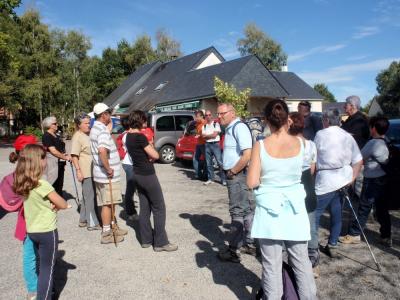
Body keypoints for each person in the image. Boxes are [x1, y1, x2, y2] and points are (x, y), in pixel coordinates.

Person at [248, 99, 317, 299]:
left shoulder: (261, 145)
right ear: (288, 118)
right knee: (302, 263)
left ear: (266, 120)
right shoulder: (302, 143)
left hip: (270, 209)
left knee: (271, 266)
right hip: (295, 208)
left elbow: (251, 181)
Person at [13, 144, 71, 300]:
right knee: (47, 269)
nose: (46, 161)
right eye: (44, 157)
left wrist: (52, 205)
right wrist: (61, 205)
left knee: (36, 262)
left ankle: (36, 292)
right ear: (39, 161)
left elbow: (39, 203)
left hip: (32, 230)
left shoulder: (23, 183)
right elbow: (63, 203)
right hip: (47, 231)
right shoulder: (42, 184)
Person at [125, 110, 178, 252]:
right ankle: (161, 242)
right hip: (147, 174)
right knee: (159, 207)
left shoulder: (128, 137)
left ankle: (146, 240)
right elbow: (155, 155)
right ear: (139, 120)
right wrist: (150, 143)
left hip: (137, 173)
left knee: (145, 207)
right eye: (144, 120)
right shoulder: (140, 137)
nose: (146, 122)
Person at [314, 109, 363, 257]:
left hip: (326, 179)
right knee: (337, 213)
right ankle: (333, 244)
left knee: (315, 214)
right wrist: (352, 179)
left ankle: (313, 247)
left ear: (327, 120)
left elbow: (313, 156)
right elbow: (358, 160)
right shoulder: (347, 136)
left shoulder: (320, 134)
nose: (323, 122)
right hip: (343, 179)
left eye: (323, 120)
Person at [340, 116, 392, 247]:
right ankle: (386, 236)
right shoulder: (387, 141)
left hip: (373, 180)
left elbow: (358, 157)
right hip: (384, 178)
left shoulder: (373, 143)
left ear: (373, 128)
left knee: (364, 207)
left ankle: (354, 234)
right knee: (382, 209)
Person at [217, 103, 255, 263]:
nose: (219, 117)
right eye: (218, 114)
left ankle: (234, 250)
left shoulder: (239, 127)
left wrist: (232, 171)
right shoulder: (232, 128)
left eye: (222, 113)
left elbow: (247, 154)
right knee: (246, 211)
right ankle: (249, 244)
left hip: (237, 175)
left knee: (237, 212)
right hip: (237, 175)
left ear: (232, 113)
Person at [0, 140, 38, 300]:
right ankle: (37, 288)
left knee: (30, 256)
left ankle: (33, 290)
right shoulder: (33, 179)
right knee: (35, 256)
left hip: (26, 224)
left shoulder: (12, 177)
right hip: (37, 224)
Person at [90, 103, 127, 244]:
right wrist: (108, 168)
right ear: (103, 115)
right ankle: (106, 233)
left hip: (100, 174)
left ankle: (114, 227)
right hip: (107, 175)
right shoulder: (102, 131)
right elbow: (102, 150)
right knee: (107, 203)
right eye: (108, 113)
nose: (110, 116)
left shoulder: (96, 128)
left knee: (109, 202)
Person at [288, 112, 320, 277]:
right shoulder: (311, 145)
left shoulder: (286, 145)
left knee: (292, 224)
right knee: (310, 225)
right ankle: (312, 260)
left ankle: (295, 261)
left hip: (292, 185)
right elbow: (313, 169)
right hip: (307, 184)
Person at [71, 113, 101, 230]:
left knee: (86, 196)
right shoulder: (77, 137)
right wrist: (78, 171)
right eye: (86, 123)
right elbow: (74, 155)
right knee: (90, 197)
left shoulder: (88, 134)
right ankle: (92, 223)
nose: (89, 125)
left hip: (93, 170)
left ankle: (83, 220)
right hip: (85, 171)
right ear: (79, 125)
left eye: (89, 122)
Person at [42, 117, 71, 195]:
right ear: (49, 125)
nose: (57, 125)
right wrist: (65, 157)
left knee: (60, 182)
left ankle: (59, 200)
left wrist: (64, 156)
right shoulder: (46, 136)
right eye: (54, 123)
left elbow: (60, 148)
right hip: (52, 162)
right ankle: (52, 201)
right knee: (53, 181)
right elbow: (53, 151)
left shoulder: (56, 135)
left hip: (60, 162)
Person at [120, 117, 139, 221]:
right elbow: (132, 153)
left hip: (129, 163)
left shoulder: (126, 135)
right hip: (130, 164)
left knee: (133, 187)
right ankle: (131, 212)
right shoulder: (128, 136)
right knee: (130, 189)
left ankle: (131, 210)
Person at [202, 110, 226, 186]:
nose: (208, 116)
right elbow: (203, 137)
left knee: (220, 162)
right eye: (206, 115)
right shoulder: (204, 126)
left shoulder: (216, 124)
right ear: (205, 117)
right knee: (208, 163)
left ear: (211, 116)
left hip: (215, 144)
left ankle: (223, 179)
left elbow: (214, 135)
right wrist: (210, 135)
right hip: (207, 145)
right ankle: (210, 179)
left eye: (209, 115)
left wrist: (207, 136)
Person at [192, 110, 207, 180]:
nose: (196, 118)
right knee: (195, 159)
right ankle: (198, 174)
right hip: (199, 144)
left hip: (204, 144)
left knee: (207, 160)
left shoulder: (205, 123)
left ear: (201, 116)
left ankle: (205, 175)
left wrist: (200, 135)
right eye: (195, 117)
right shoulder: (197, 124)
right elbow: (197, 132)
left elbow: (206, 133)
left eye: (197, 117)